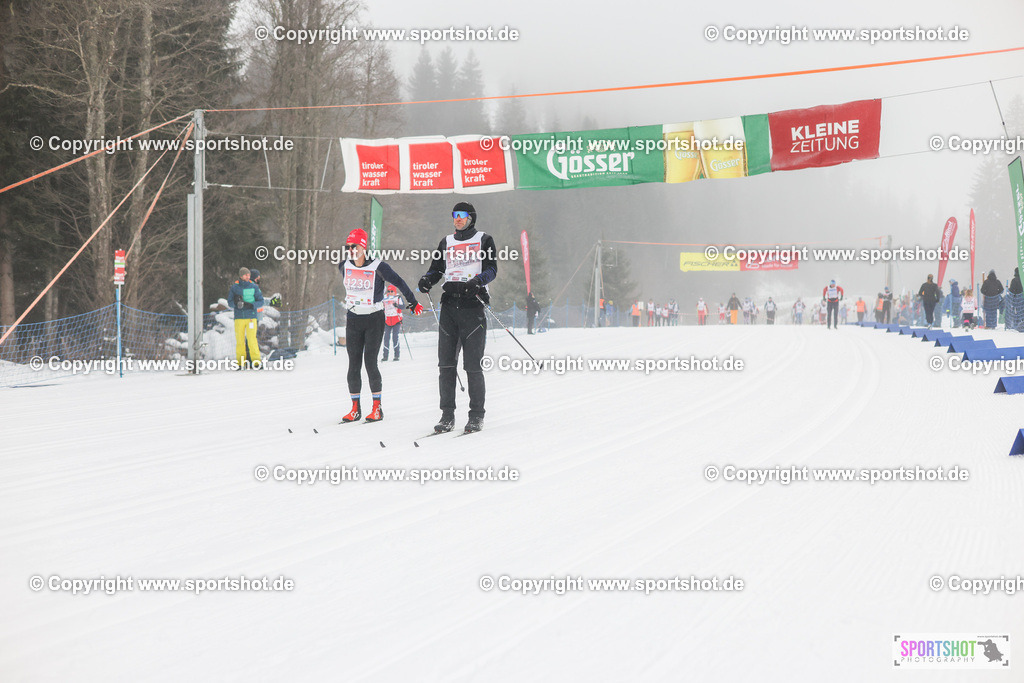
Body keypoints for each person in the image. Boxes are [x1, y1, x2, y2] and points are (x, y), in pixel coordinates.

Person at [417, 202, 498, 434]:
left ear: (471, 218)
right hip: (450, 307)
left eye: (462, 215)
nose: (457, 218)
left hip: (473, 306)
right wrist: (427, 280)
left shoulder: (484, 240)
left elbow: (492, 269)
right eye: (455, 215)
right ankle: (447, 416)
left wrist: (478, 281)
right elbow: (436, 269)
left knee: (472, 366)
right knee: (446, 365)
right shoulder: (446, 242)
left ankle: (476, 416)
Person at [339, 229, 421, 423]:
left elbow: (399, 282)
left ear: (363, 247)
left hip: (374, 319)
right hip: (353, 319)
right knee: (353, 364)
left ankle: (377, 408)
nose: (350, 250)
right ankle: (355, 408)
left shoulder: (378, 267)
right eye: (348, 247)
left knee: (370, 362)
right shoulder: (343, 265)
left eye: (354, 246)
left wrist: (412, 301)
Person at [229, 267, 264, 369]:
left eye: (249, 275)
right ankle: (240, 363)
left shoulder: (254, 287)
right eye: (246, 275)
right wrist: (236, 303)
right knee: (240, 341)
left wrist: (252, 305)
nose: (248, 277)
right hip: (239, 317)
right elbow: (230, 302)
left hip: (251, 317)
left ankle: (256, 362)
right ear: (241, 276)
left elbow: (261, 301)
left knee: (252, 340)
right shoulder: (234, 288)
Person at [381, 284, 404, 362]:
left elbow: (403, 306)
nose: (390, 292)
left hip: (396, 320)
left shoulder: (398, 297)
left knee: (395, 337)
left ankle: (396, 355)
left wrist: (397, 305)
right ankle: (385, 356)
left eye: (392, 291)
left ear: (395, 291)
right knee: (386, 338)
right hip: (387, 321)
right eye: (389, 291)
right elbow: (380, 306)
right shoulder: (384, 298)